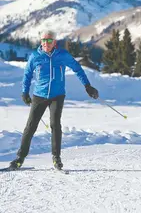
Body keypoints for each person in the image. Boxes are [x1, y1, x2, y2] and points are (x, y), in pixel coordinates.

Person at [9, 31, 99, 170]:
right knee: (30, 126)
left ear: (54, 42)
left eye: (49, 40)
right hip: (39, 96)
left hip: (57, 96)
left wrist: (87, 85)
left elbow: (77, 68)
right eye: (43, 40)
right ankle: (19, 158)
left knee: (55, 125)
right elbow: (27, 75)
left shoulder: (62, 55)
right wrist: (25, 92)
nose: (46, 43)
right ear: (41, 41)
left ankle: (56, 158)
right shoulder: (35, 56)